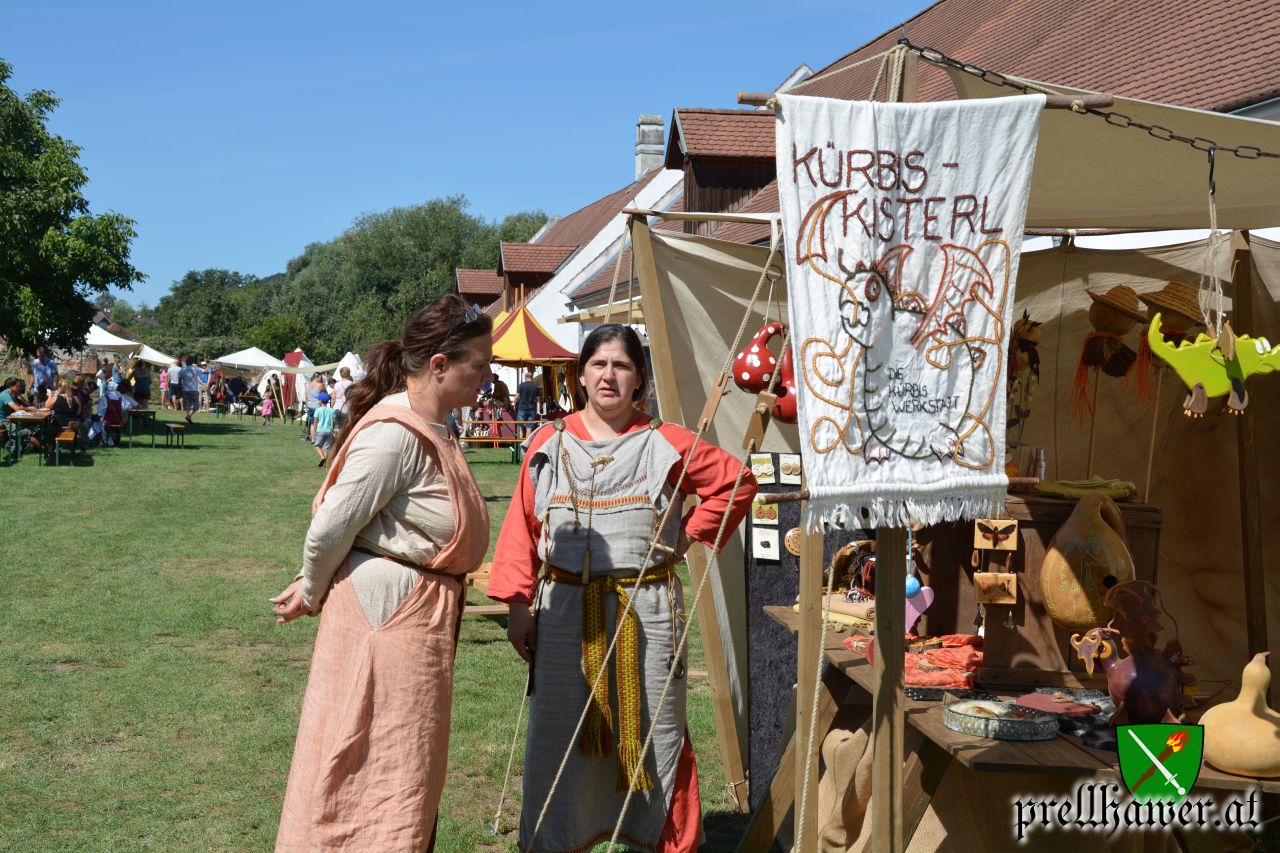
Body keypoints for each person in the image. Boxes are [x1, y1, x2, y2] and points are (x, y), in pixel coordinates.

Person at [489, 324, 757, 853]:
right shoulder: (549, 442)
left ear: (639, 380)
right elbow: (521, 528)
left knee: (658, 733)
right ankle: (556, 840)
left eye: (623, 365)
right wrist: (519, 607)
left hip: (649, 614)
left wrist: (686, 538)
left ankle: (665, 841)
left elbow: (735, 483)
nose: (609, 375)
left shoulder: (668, 441)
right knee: (557, 736)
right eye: (599, 364)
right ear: (581, 375)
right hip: (564, 614)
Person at [270, 295, 493, 849]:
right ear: (439, 365)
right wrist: (311, 589)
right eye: (479, 365)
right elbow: (329, 528)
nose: (486, 378)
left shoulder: (430, 423)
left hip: (408, 616)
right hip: (386, 618)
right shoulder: (395, 433)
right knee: (377, 768)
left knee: (404, 765)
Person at [310, 391, 336, 467]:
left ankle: (322, 457)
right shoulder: (331, 410)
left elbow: (315, 422)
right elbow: (334, 421)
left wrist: (314, 432)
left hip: (320, 430)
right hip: (329, 431)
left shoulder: (318, 410)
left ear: (320, 401)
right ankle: (325, 464)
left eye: (318, 399)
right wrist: (333, 429)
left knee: (316, 445)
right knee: (326, 448)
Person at [515, 367, 540, 434]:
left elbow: (516, 397)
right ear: (532, 377)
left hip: (522, 408)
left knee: (520, 426)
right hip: (531, 409)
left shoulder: (521, 385)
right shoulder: (535, 387)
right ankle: (527, 444)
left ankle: (520, 443)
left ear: (525, 377)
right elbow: (538, 400)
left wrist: (515, 404)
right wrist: (537, 410)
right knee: (529, 427)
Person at [179, 356, 200, 423]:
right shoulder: (196, 368)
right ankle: (189, 417)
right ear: (192, 362)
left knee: (187, 406)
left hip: (186, 390)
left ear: (186, 362)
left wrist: (180, 387)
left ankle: (188, 417)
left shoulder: (182, 369)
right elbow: (205, 371)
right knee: (196, 406)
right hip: (194, 390)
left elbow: (179, 379)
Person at [332, 367, 353, 432]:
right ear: (349, 374)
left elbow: (333, 398)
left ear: (341, 374)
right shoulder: (351, 384)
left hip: (337, 407)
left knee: (337, 427)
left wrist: (332, 407)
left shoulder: (337, 384)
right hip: (347, 407)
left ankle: (337, 440)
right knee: (345, 427)